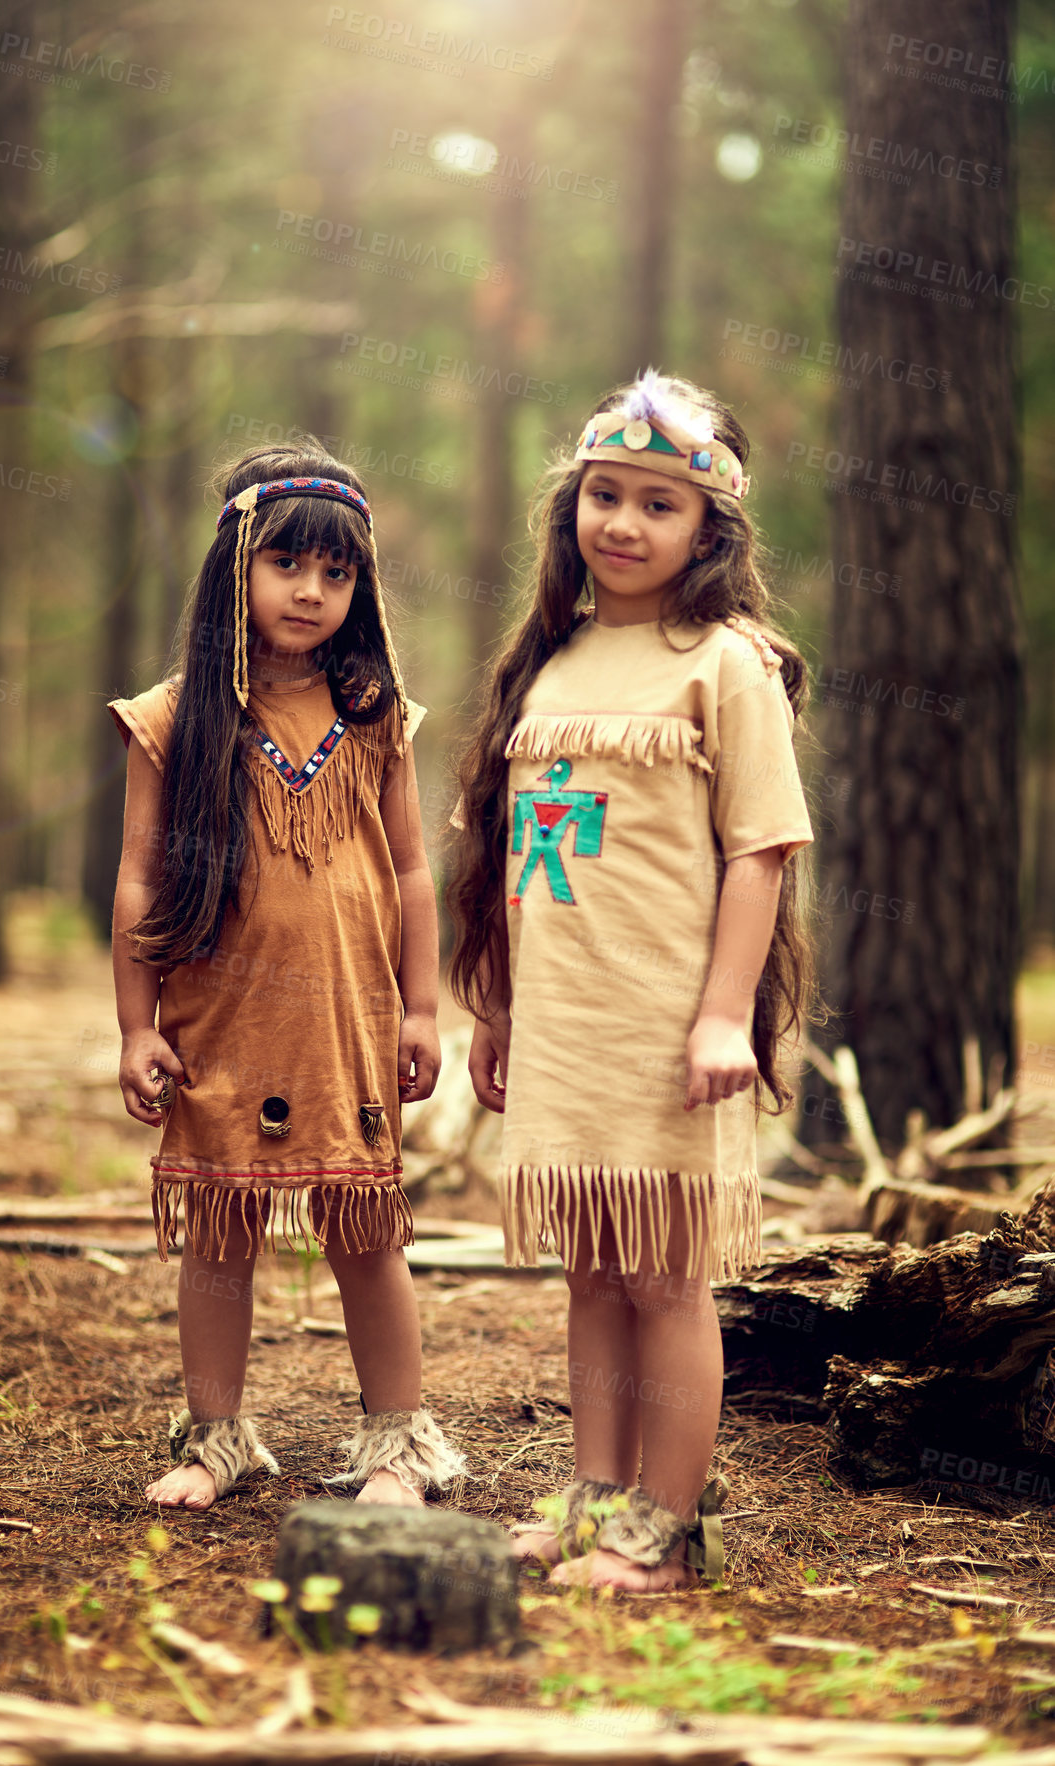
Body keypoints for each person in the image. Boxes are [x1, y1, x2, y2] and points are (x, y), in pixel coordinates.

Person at [448, 371, 817, 1591]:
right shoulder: (546, 665)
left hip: (668, 1028)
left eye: (659, 503)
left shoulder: (723, 663)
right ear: (572, 512)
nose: (623, 522)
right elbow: (517, 859)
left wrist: (725, 1015)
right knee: (593, 1270)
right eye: (604, 494)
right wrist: (498, 1008)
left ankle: (666, 1522)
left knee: (664, 1272)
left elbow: (761, 849)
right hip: (565, 1025)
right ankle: (596, 1497)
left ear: (708, 530)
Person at [110, 443, 464, 1511]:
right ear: (236, 569)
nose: (312, 591)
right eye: (286, 565)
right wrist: (136, 1027)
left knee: (365, 1229)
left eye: (337, 573)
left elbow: (409, 869)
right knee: (219, 1234)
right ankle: (215, 1438)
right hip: (219, 1014)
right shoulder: (174, 717)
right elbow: (134, 877)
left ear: (360, 590)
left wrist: (423, 1004)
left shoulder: (374, 717)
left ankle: (398, 1444)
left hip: (350, 1018)